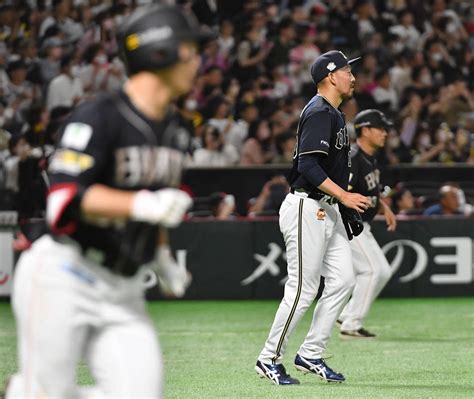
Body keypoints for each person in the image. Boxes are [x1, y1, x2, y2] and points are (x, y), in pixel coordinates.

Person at [4, 4, 211, 399]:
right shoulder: (98, 115)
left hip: (124, 289)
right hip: (65, 275)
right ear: (160, 51)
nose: (197, 60)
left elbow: (152, 206)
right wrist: (141, 206)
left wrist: (161, 255)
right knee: (47, 393)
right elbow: (63, 201)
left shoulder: (176, 130)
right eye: (190, 49)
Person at [255, 50, 371, 385]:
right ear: (331, 76)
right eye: (348, 70)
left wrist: (342, 205)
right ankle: (268, 358)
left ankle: (311, 353)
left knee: (344, 280)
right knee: (302, 289)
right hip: (307, 206)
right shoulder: (320, 111)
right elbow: (307, 165)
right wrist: (344, 195)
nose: (353, 76)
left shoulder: (333, 113)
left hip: (325, 208)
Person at [336, 109, 397, 338]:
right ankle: (351, 322)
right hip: (348, 223)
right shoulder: (352, 158)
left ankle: (346, 315)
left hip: (360, 223)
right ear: (365, 130)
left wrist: (383, 205)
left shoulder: (370, 157)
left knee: (375, 271)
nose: (385, 133)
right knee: (374, 270)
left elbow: (369, 191)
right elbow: (340, 194)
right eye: (380, 128)